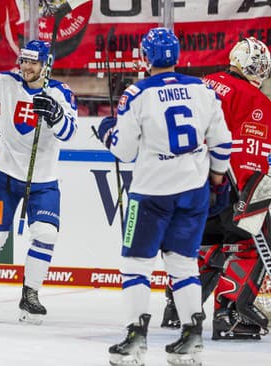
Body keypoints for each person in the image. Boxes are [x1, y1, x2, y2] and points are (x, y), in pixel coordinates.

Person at [95, 27, 232, 366]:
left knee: (135, 264)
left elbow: (124, 152)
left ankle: (136, 338)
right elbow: (222, 143)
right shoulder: (202, 89)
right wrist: (217, 177)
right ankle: (192, 336)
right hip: (193, 189)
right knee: (182, 263)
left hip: (152, 193)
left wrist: (107, 132)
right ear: (177, 56)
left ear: (146, 57)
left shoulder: (136, 94)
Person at [161, 37, 271, 340]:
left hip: (179, 185)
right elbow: (247, 153)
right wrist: (250, 203)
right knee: (248, 241)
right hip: (221, 187)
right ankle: (232, 314)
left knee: (206, 243)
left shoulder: (201, 83)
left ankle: (179, 303)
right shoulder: (253, 98)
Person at [0, 40, 78, 324]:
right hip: (2, 176)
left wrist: (55, 115)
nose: (26, 67)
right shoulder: (7, 83)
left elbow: (70, 133)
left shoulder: (61, 94)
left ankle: (30, 294)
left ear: (46, 65)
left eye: (33, 62)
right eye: (23, 61)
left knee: (46, 234)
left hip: (43, 180)